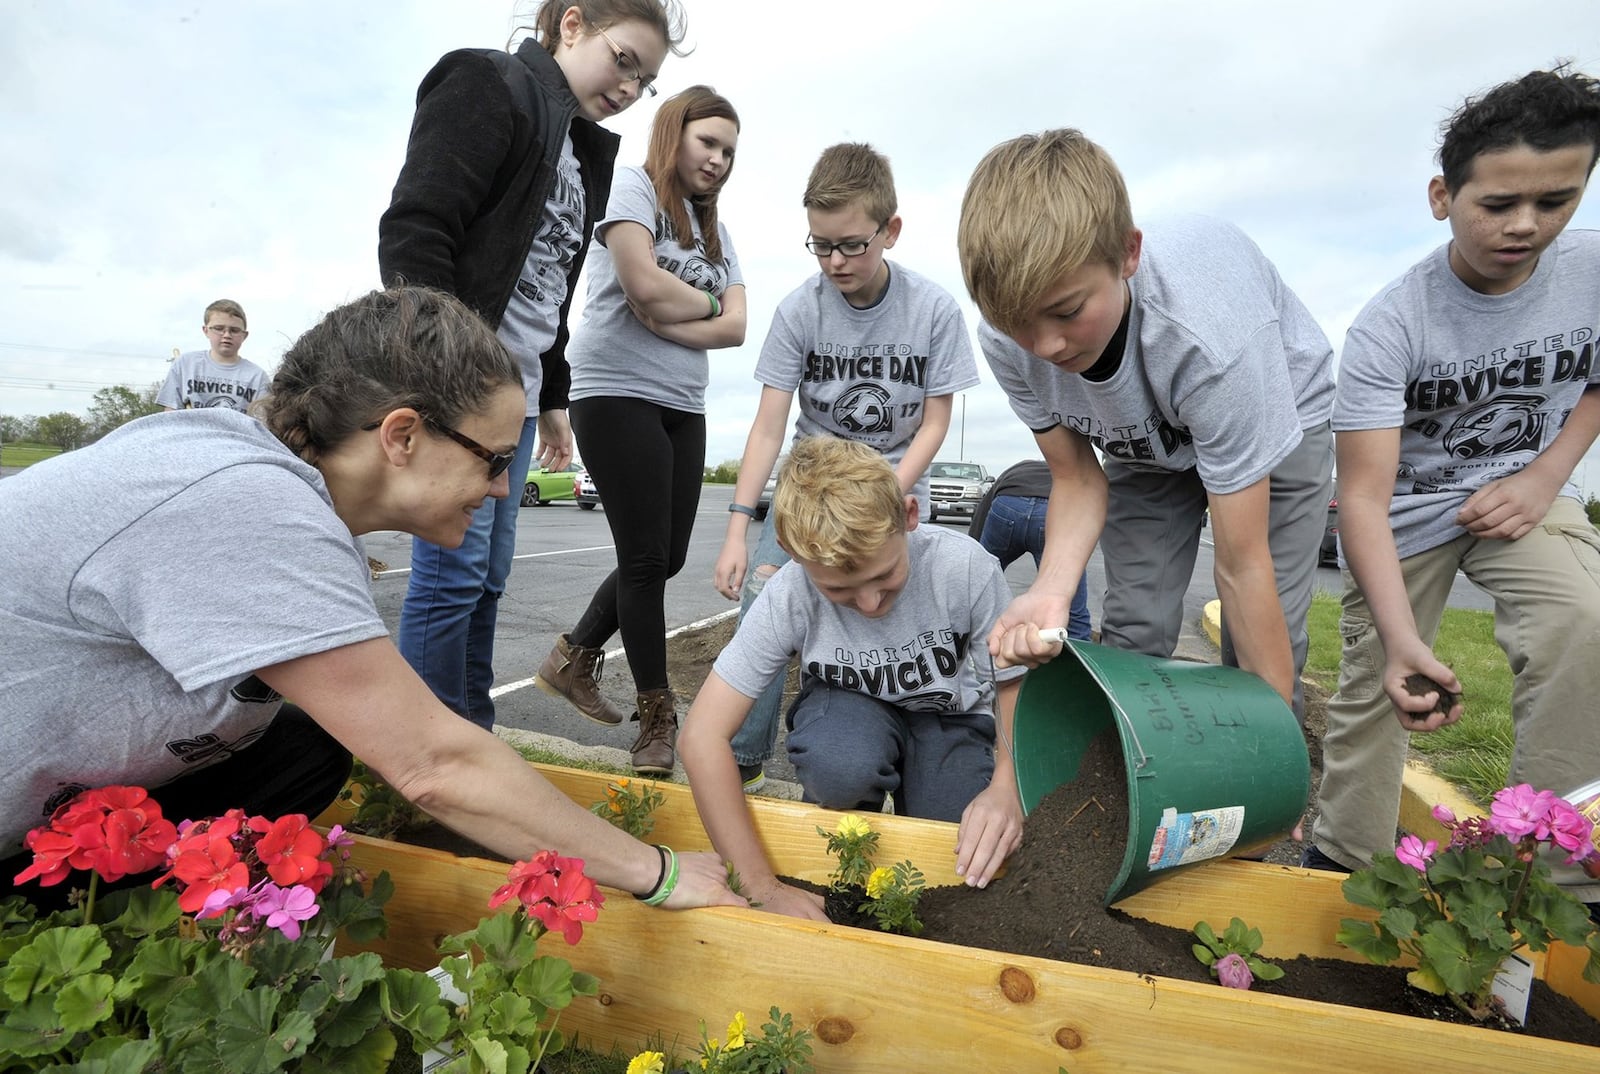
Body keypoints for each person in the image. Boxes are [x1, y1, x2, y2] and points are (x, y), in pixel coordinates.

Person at [0, 287, 743, 913]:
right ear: (402, 435)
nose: (497, 489)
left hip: (47, 803)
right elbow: (434, 763)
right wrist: (659, 871)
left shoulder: (262, 482)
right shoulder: (245, 504)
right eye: (494, 461)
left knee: (307, 751)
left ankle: (141, 912)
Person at [1306, 68, 1600, 900]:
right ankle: (1346, 867)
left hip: (1523, 496)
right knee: (1377, 687)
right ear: (1443, 196)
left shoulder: (1592, 271)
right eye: (1498, 204)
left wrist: (1546, 477)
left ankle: (1558, 880)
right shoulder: (1391, 326)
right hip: (1405, 512)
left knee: (1585, 624)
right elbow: (1360, 495)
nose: (1526, 226)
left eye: (1556, 200)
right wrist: (1404, 641)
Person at [957, 129, 1335, 725]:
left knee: (1262, 632)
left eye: (1067, 311)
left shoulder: (1209, 341)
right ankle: (1134, 778)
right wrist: (1053, 587)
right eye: (1017, 324)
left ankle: (1260, 780)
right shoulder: (1008, 341)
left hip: (1273, 415)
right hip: (1142, 441)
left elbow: (1241, 564)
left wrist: (1273, 749)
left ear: (1128, 255)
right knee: (1135, 625)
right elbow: (1078, 479)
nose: (1046, 346)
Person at [379, 0, 685, 730]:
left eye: (644, 81)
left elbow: (547, 288)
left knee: (485, 580)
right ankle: (430, 751)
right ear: (571, 24)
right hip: (461, 390)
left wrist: (550, 396)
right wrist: (446, 379)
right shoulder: (489, 84)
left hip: (511, 404)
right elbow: (415, 233)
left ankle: (472, 736)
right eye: (624, 60)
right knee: (450, 577)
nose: (629, 88)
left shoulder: (581, 152)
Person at [711, 143, 980, 792]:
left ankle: (928, 736)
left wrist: (886, 491)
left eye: (851, 245)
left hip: (894, 486)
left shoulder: (934, 310)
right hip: (809, 493)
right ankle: (743, 764)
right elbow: (770, 425)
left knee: (900, 599)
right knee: (763, 594)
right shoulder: (800, 310)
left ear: (890, 231)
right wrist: (739, 528)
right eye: (820, 245)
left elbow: (936, 420)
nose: (835, 262)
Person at [680, 437, 1032, 920]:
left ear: (909, 516)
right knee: (841, 765)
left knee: (963, 844)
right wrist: (761, 886)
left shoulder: (964, 567)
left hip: (948, 717)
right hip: (849, 711)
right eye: (839, 589)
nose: (869, 605)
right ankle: (844, 882)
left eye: (885, 576)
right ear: (790, 552)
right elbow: (701, 737)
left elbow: (1013, 682)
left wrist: (1006, 789)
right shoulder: (789, 593)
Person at [536, 85, 746, 775]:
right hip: (615, 389)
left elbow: (737, 325)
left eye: (728, 151)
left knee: (668, 554)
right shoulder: (633, 188)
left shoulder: (716, 231)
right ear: (674, 133)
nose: (717, 159)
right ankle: (657, 716)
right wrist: (685, 305)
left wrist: (691, 302)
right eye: (707, 142)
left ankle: (574, 657)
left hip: (684, 401)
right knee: (647, 559)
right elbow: (640, 284)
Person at [967, 459, 1092, 641]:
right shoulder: (1072, 475)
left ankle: (962, 641)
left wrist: (972, 558)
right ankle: (1079, 655)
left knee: (976, 586)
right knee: (1070, 605)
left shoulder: (1017, 468)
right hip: (1051, 510)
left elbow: (981, 516)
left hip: (1007, 505)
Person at [156, 299, 269, 412]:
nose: (227, 335)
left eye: (234, 330)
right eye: (219, 329)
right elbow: (170, 413)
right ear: (205, 330)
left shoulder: (258, 377)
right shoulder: (185, 364)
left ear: (244, 335)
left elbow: (261, 424)